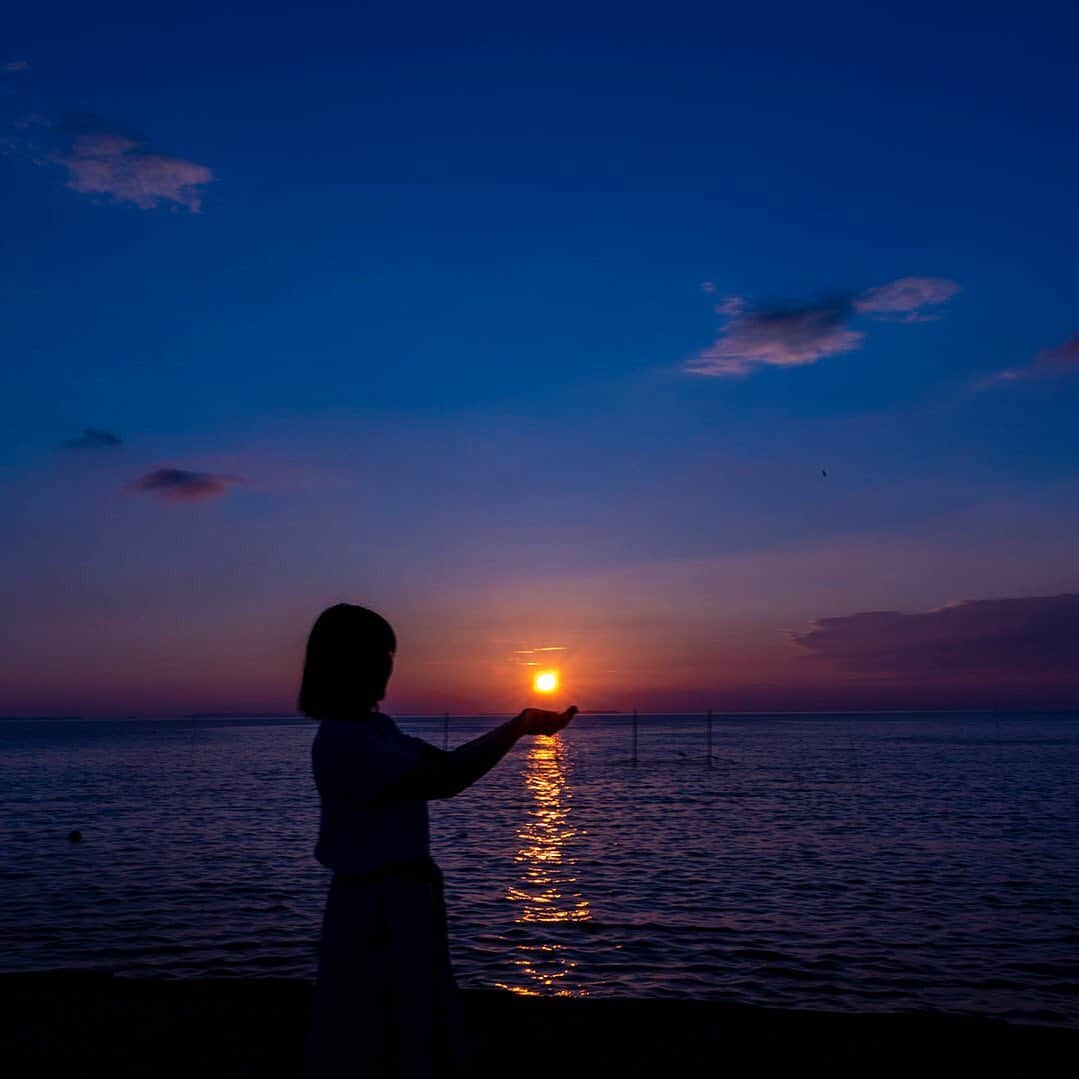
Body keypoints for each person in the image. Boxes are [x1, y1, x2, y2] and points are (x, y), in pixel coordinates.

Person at [301, 603, 576, 1079]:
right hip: (373, 913)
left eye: (389, 654)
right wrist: (519, 726)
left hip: (403, 904)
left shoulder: (378, 731)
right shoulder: (344, 740)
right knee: (373, 1038)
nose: (389, 665)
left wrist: (521, 725)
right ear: (350, 664)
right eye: (380, 654)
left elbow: (448, 768)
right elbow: (446, 778)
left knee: (409, 1031)